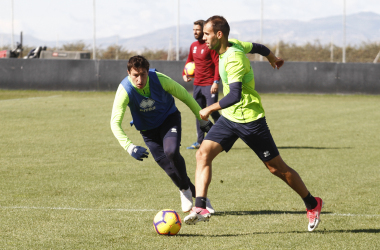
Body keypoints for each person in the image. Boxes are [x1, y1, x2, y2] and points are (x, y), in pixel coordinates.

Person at [183, 16, 323, 232]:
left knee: (276, 168)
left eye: (207, 34)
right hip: (230, 118)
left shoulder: (235, 58)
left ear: (219, 35)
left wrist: (209, 108)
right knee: (202, 154)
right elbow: (259, 47)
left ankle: (312, 203)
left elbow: (235, 95)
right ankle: (200, 207)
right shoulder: (234, 43)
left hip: (250, 120)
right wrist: (273, 58)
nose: (203, 37)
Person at [110, 55, 214, 213]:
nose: (139, 79)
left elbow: (185, 96)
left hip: (168, 120)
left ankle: (189, 192)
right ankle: (191, 192)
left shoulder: (159, 79)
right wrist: (129, 147)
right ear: (128, 73)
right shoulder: (125, 89)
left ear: (147, 72)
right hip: (147, 130)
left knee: (171, 152)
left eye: (143, 74)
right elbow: (114, 123)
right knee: (166, 165)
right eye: (135, 75)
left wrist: (202, 120)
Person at [183, 20, 221, 150]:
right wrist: (185, 73)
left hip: (210, 84)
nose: (195, 32)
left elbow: (217, 64)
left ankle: (223, 136)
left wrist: (216, 82)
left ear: (203, 30)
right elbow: (189, 61)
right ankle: (200, 141)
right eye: (194, 30)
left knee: (213, 112)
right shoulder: (193, 45)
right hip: (197, 85)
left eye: (198, 30)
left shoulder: (210, 45)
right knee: (198, 113)